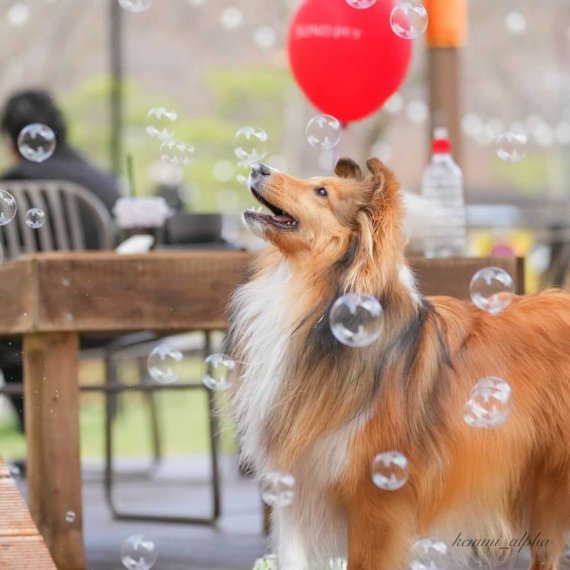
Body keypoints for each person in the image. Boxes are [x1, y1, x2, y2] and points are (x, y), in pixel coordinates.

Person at [0, 89, 121, 434]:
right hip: (114, 321)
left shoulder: (16, 185)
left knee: (7, 334)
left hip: (44, 319)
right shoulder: (102, 179)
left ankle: (40, 438)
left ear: (12, 138)